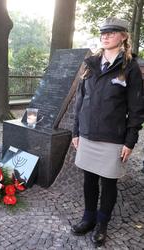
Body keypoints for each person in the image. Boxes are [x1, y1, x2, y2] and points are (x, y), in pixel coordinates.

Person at [71, 17, 144, 247]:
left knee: (109, 183)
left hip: (113, 137)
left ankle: (102, 224)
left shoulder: (130, 66)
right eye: (103, 32)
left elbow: (136, 108)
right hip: (87, 133)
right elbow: (80, 100)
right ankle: (88, 218)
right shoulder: (91, 63)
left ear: (123, 36)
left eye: (112, 32)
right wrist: (76, 131)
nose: (105, 35)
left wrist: (130, 140)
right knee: (89, 180)